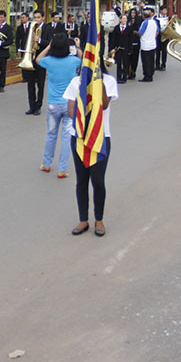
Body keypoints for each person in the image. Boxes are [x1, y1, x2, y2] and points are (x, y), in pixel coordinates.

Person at [64, 57, 119, 236]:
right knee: (81, 180)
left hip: (101, 138)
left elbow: (104, 104)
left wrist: (99, 81)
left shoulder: (109, 81)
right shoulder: (75, 81)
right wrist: (83, 85)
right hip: (79, 137)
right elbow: (71, 110)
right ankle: (83, 220)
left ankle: (99, 220)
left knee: (98, 180)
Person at [37, 33, 81, 178]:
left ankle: (46, 164)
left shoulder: (48, 61)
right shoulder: (73, 61)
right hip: (69, 104)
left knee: (51, 134)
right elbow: (82, 59)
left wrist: (48, 46)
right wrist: (78, 46)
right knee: (67, 137)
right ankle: (62, 169)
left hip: (53, 105)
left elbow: (37, 59)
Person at [18, 10, 46, 115]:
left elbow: (50, 43)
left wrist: (39, 41)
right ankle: (31, 106)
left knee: (40, 85)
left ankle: (38, 106)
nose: (36, 20)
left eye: (38, 17)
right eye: (35, 17)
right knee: (30, 85)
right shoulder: (31, 28)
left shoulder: (47, 28)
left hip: (41, 61)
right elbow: (25, 41)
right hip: (30, 59)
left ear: (43, 18)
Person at [135, 8, 159, 82]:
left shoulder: (145, 22)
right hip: (152, 43)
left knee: (146, 62)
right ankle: (151, 74)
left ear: (143, 16)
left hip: (145, 44)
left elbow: (140, 33)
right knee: (151, 61)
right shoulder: (154, 21)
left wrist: (135, 32)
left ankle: (147, 76)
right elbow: (157, 31)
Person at [109, 15, 131, 83]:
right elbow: (113, 39)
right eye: (123, 18)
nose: (124, 20)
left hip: (126, 48)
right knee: (118, 63)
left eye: (126, 19)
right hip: (118, 48)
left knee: (125, 63)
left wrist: (130, 49)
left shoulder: (129, 28)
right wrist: (112, 48)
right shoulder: (116, 28)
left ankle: (124, 77)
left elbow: (130, 39)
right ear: (120, 20)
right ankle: (118, 77)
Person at [155, 5, 170, 71]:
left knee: (164, 51)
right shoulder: (156, 17)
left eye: (166, 10)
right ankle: (157, 64)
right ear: (161, 11)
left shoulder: (168, 18)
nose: (165, 11)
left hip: (165, 35)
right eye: (164, 10)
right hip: (158, 35)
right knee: (157, 50)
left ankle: (163, 64)